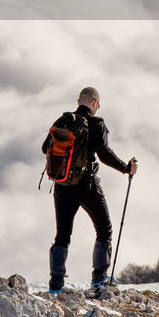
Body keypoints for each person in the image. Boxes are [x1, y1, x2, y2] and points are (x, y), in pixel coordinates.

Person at [45, 86, 138, 292]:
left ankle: (56, 285)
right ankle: (99, 280)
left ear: (79, 102)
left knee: (62, 236)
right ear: (95, 103)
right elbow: (104, 154)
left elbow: (45, 148)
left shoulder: (62, 121)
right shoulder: (97, 123)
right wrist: (126, 168)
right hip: (87, 186)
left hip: (62, 185)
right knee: (104, 229)